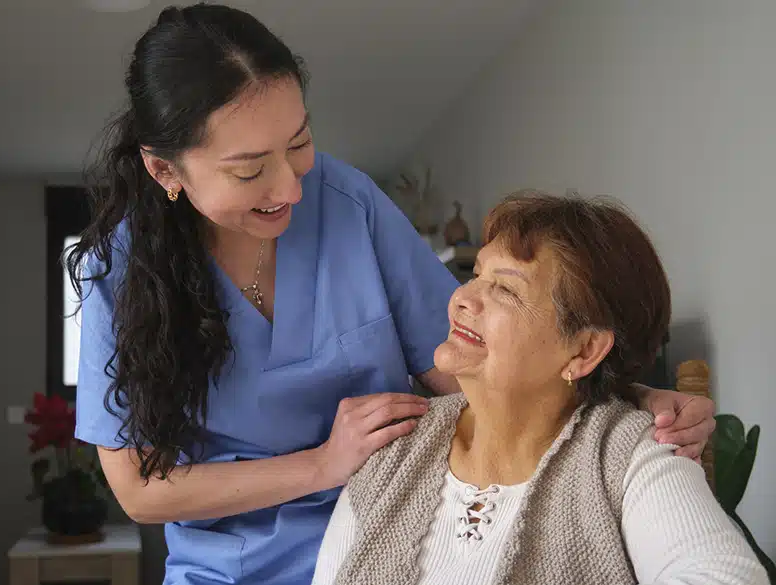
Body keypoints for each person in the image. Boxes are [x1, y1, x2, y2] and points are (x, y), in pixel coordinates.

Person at [68, 5, 716, 585]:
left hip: (397, 540)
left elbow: (460, 363)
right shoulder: (115, 274)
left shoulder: (347, 203)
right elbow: (142, 491)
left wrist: (623, 399)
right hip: (232, 570)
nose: (291, 188)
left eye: (298, 143)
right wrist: (322, 464)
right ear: (165, 171)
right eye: (248, 169)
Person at [310, 193, 765, 585]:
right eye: (477, 276)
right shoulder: (393, 449)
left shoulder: (627, 456)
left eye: (505, 290)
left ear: (584, 351)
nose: (463, 298)